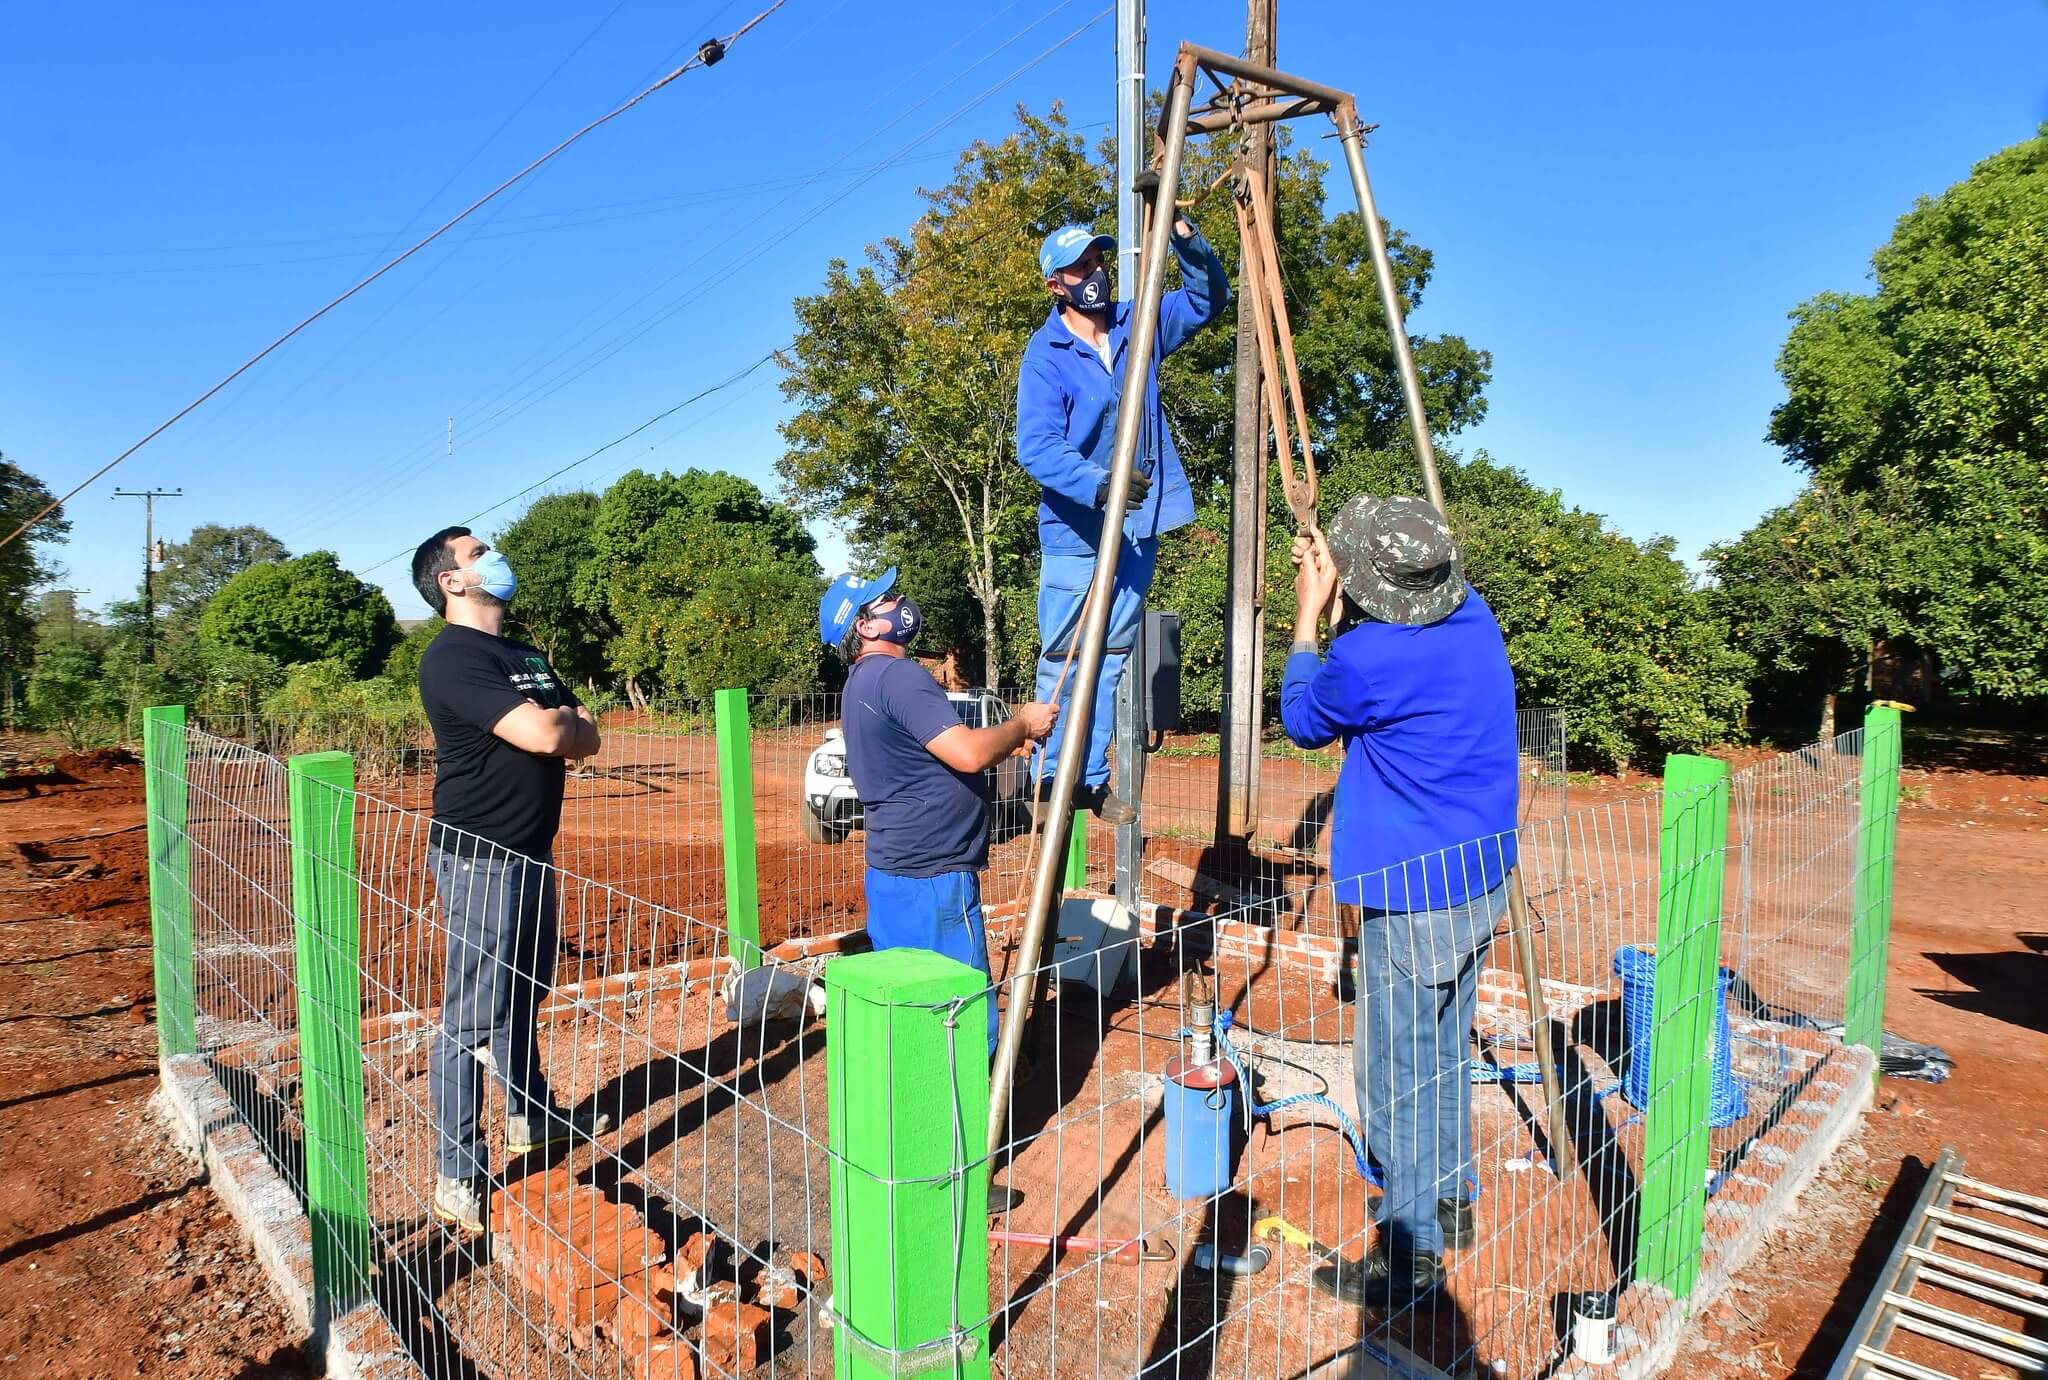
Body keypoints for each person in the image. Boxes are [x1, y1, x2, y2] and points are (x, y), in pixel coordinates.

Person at [1279, 495, 1521, 1305]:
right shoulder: (1473, 616)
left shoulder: (1366, 658)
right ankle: (1450, 1201)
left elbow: (1304, 719)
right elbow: (1394, 652)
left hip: (1412, 891)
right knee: (1446, 1046)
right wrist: (1349, 594)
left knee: (1396, 1071)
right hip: (1480, 875)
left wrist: (1310, 616)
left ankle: (1410, 1250)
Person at [412, 525, 612, 1235]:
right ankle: (458, 1171)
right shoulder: (452, 658)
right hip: (479, 856)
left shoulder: (523, 655)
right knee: (471, 1015)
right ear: (452, 581)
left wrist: (561, 725)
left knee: (526, 990)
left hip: (531, 850)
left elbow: (588, 734)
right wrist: (561, 725)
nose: (493, 557)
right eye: (477, 554)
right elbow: (553, 736)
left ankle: (530, 1116)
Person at [1015, 216, 1230, 822]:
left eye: (1098, 262)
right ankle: (1050, 778)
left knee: (1111, 652)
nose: (1095, 274)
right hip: (1076, 530)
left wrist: (1185, 239)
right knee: (1065, 654)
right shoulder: (1045, 355)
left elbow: (1207, 300)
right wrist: (1099, 484)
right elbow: (1036, 445)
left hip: (1139, 522)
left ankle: (1089, 779)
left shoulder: (1139, 323)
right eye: (1081, 267)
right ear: (1056, 284)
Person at [819, 568, 1058, 1053]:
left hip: (895, 871)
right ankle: (976, 1101)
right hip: (934, 877)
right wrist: (1022, 725)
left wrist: (1002, 743)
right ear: (865, 626)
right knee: (960, 1014)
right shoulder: (899, 675)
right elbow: (968, 754)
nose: (900, 599)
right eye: (886, 598)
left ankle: (919, 1099)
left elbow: (925, 751)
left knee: (911, 1009)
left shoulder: (862, 681)